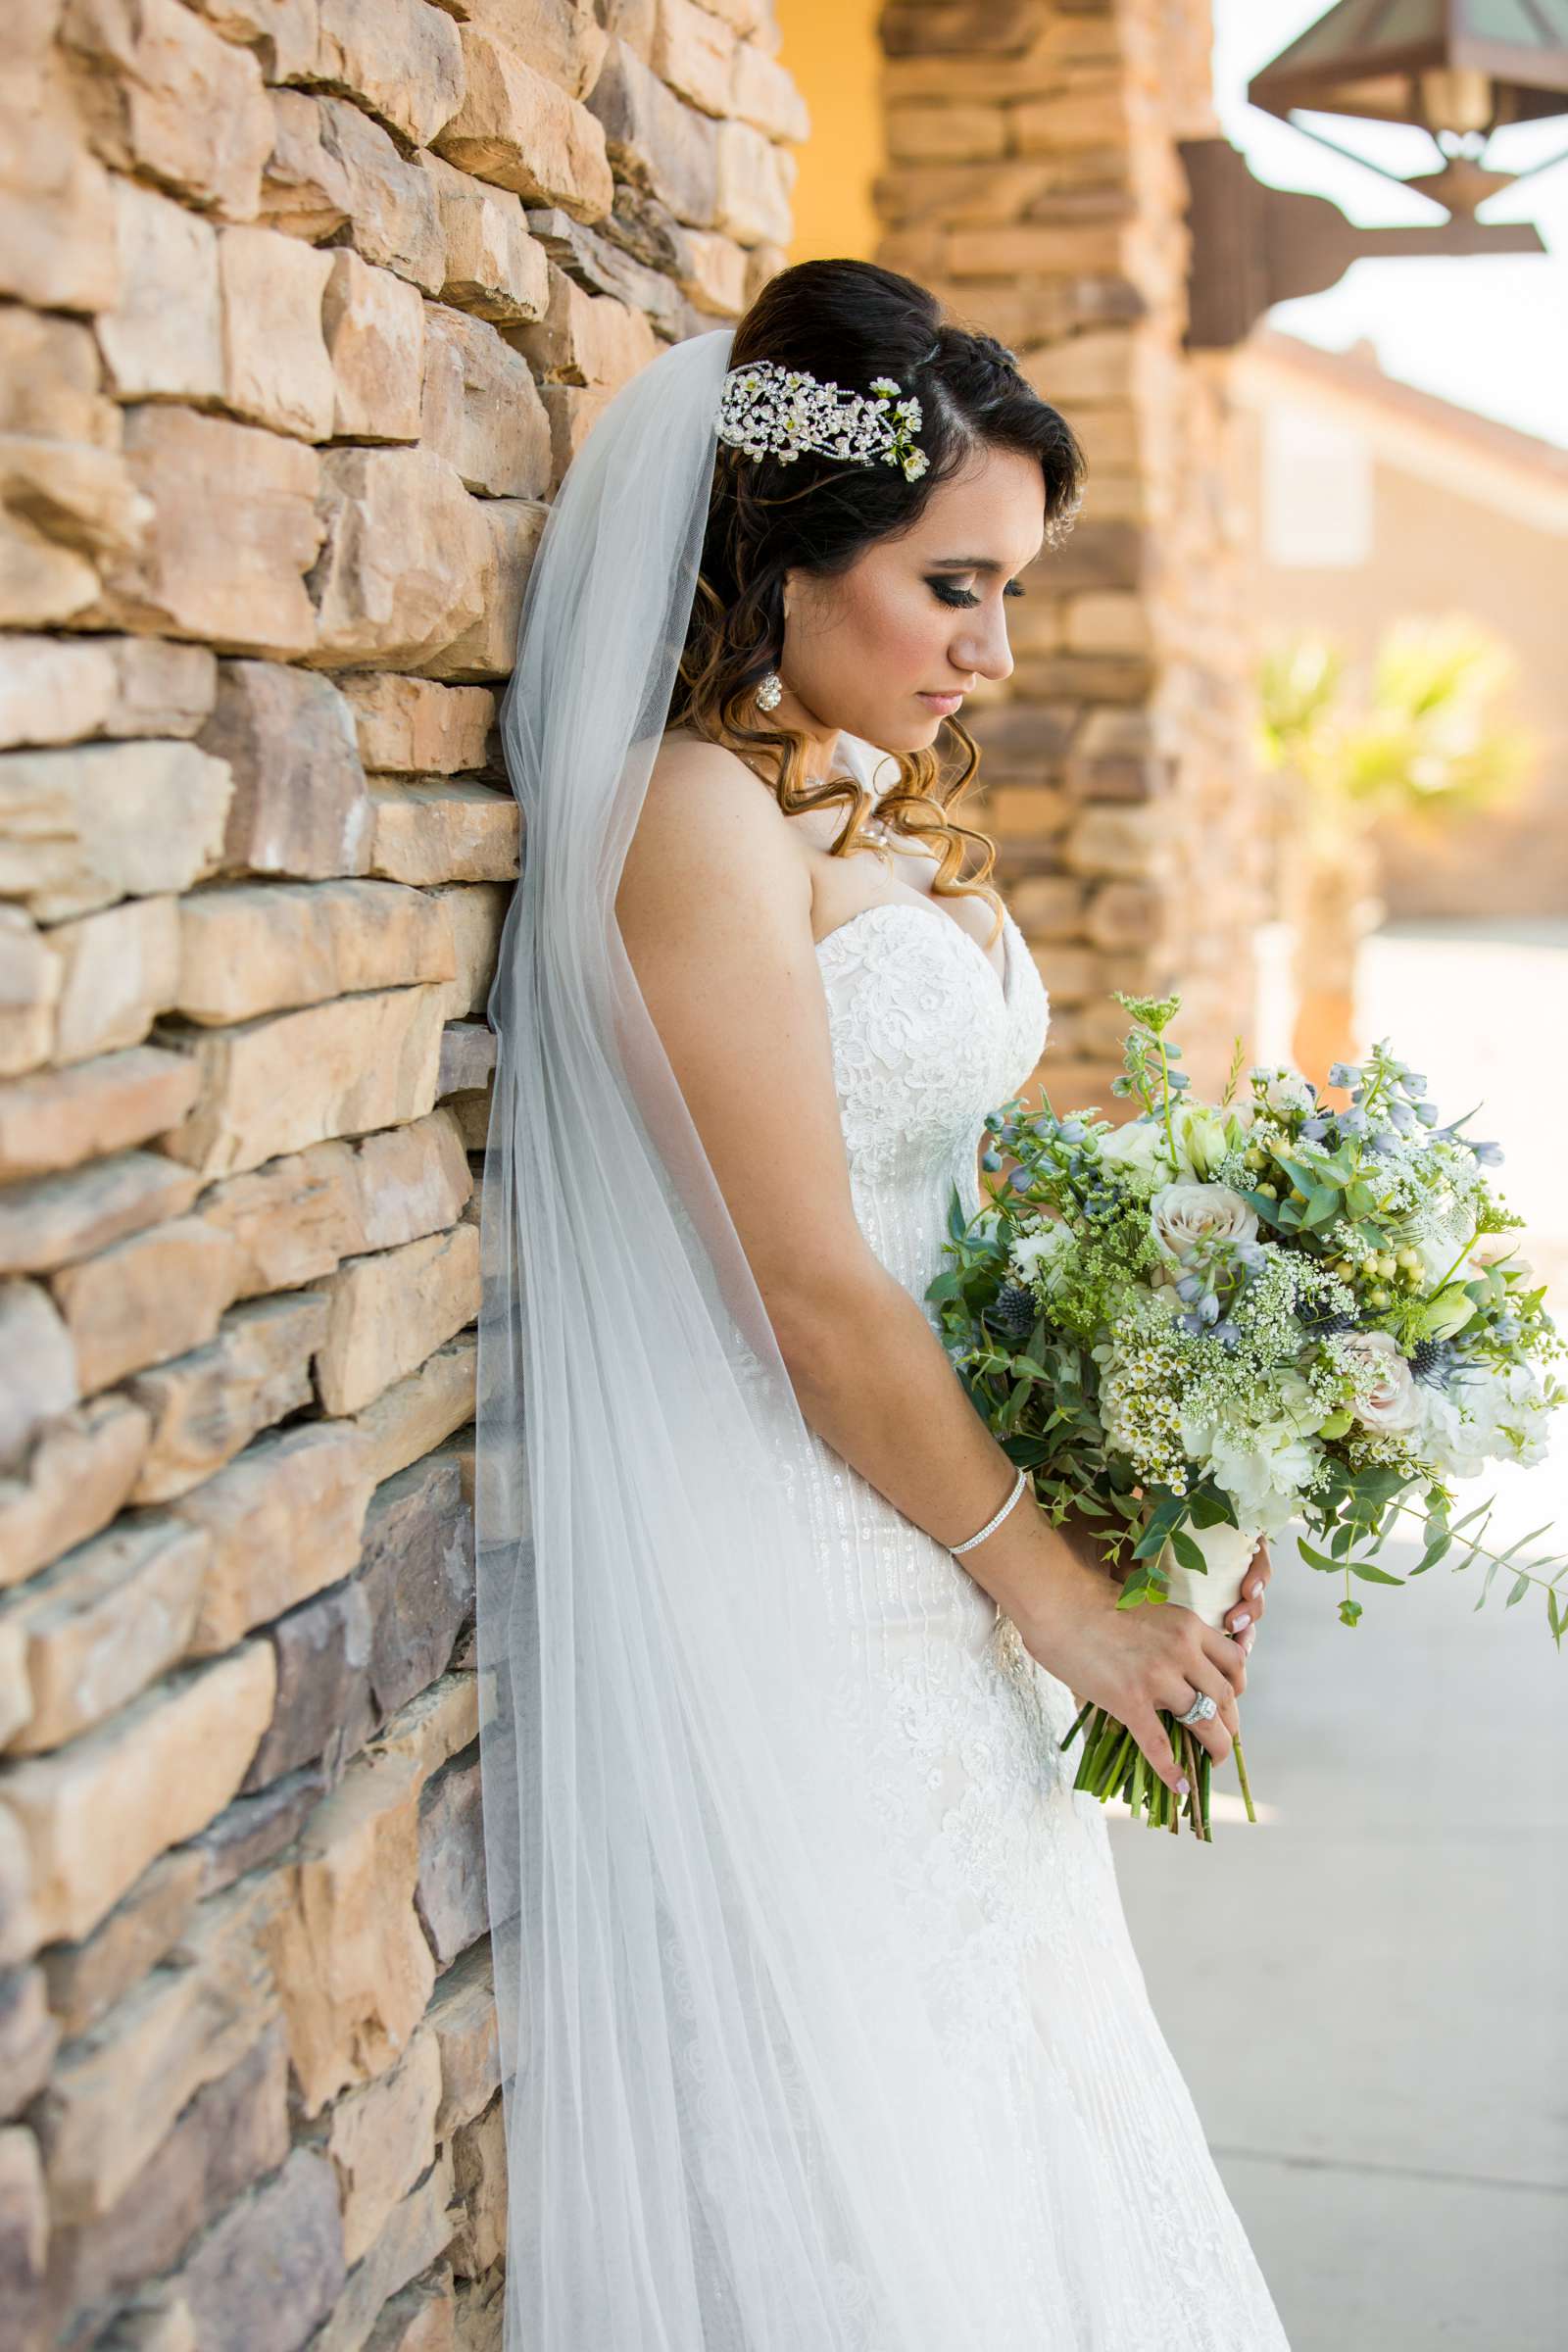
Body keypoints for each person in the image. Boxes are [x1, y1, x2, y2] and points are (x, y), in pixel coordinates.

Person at [476, 257, 1290, 2349]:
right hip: (813, 1571)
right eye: (950, 585)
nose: (990, 650)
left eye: (1009, 590)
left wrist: (1158, 1463)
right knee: (877, 2175)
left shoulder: (858, 808)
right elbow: (815, 1289)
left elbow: (962, 1220)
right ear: (789, 558)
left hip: (946, 1539)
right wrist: (1058, 1596)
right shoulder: (689, 822)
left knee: (1012, 2123)